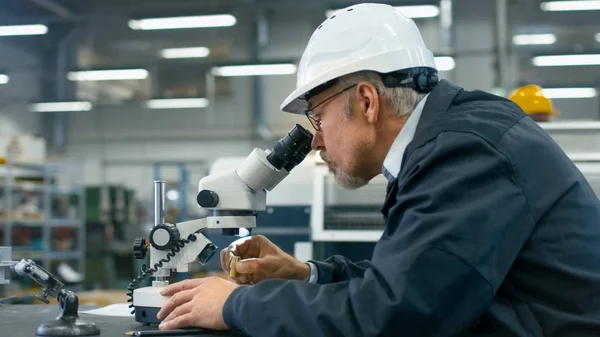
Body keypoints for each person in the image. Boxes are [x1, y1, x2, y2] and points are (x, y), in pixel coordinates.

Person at [156, 3, 600, 336]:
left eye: (318, 116)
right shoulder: (450, 141)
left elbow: (392, 315)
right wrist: (304, 275)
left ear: (367, 101)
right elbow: (415, 280)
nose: (315, 138)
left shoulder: (464, 155)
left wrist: (236, 305)